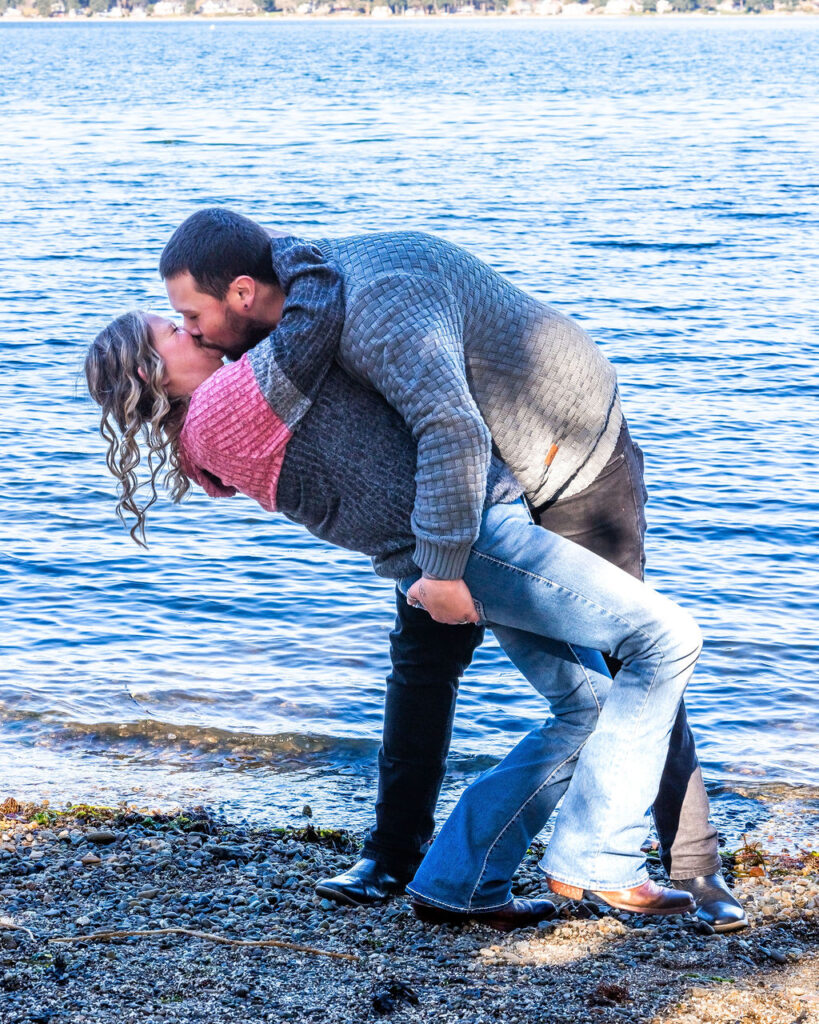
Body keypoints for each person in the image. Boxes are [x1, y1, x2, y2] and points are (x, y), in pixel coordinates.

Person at [156, 209, 747, 932]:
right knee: (446, 663)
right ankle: (424, 863)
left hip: (566, 459)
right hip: (458, 507)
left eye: (190, 316)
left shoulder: (364, 306)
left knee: (627, 661)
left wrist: (429, 566)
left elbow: (447, 426)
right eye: (179, 328)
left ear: (243, 292)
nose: (192, 330)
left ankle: (693, 865)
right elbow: (417, 437)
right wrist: (433, 568)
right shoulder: (274, 346)